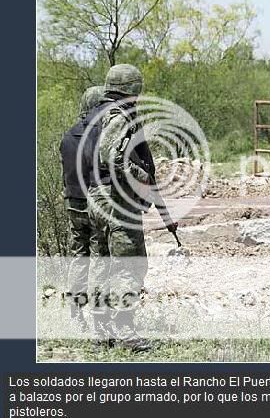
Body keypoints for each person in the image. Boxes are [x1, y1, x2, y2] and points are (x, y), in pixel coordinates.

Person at [86, 64, 160, 352]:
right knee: (130, 265)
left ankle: (100, 333)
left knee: (101, 266)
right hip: (116, 199)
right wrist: (144, 178)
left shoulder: (94, 114)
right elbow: (113, 158)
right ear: (132, 89)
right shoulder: (118, 115)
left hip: (96, 196)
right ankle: (126, 331)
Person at [59, 86, 105, 329]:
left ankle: (76, 317)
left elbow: (64, 174)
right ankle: (100, 319)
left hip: (72, 202)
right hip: (96, 203)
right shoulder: (101, 135)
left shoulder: (67, 136)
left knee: (79, 256)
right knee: (99, 258)